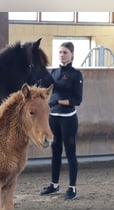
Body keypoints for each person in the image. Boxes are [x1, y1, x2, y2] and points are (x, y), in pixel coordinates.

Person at [40, 42, 83, 200]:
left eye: (65, 52)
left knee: (70, 153)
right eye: (60, 52)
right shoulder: (54, 73)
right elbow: (45, 88)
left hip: (68, 119)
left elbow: (77, 100)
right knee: (55, 152)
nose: (62, 55)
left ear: (72, 54)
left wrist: (58, 102)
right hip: (54, 118)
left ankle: (72, 188)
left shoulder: (76, 75)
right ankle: (54, 185)